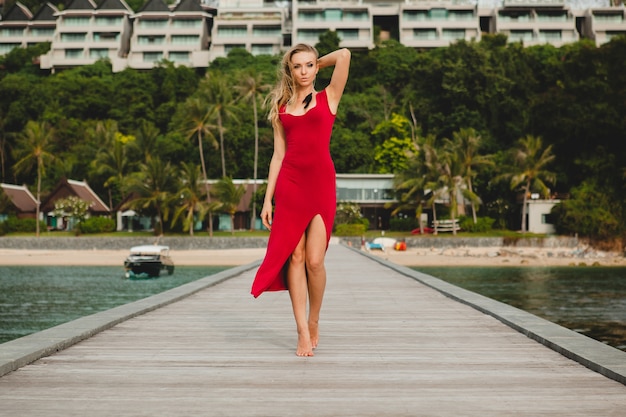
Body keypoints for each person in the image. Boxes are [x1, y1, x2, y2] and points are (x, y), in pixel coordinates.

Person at [251, 44, 351, 357]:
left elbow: (345, 54)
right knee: (294, 257)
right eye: (298, 66)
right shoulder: (281, 106)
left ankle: (314, 318)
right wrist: (267, 200)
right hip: (290, 185)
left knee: (315, 260)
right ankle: (301, 331)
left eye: (309, 65)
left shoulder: (329, 96)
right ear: (290, 70)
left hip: (321, 183)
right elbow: (278, 155)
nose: (305, 71)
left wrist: (320, 63)